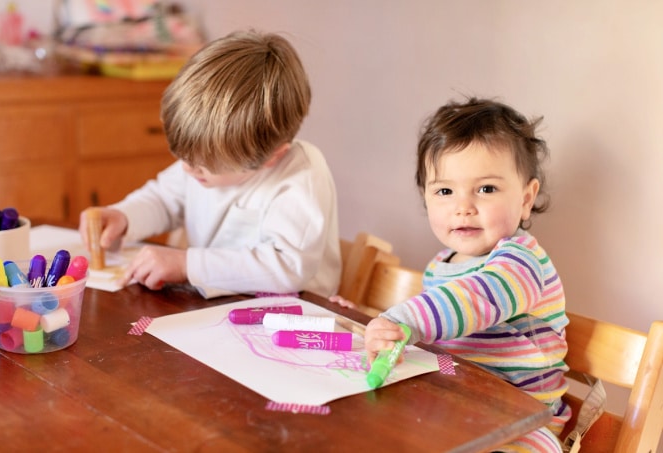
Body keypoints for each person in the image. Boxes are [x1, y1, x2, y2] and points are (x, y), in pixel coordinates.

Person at [331, 97, 571, 452]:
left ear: (524, 198)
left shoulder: (521, 262)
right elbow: (432, 328)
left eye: (486, 189)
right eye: (444, 191)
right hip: (453, 406)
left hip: (522, 422)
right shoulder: (440, 264)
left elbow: (471, 300)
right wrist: (369, 325)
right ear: (426, 199)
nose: (463, 207)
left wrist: (402, 320)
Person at [79, 30, 340, 299]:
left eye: (204, 166)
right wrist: (124, 216)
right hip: (220, 310)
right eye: (185, 157)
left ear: (270, 158)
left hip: (296, 320)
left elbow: (287, 267)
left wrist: (186, 265)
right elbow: (163, 199)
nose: (188, 170)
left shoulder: (301, 175)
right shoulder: (199, 165)